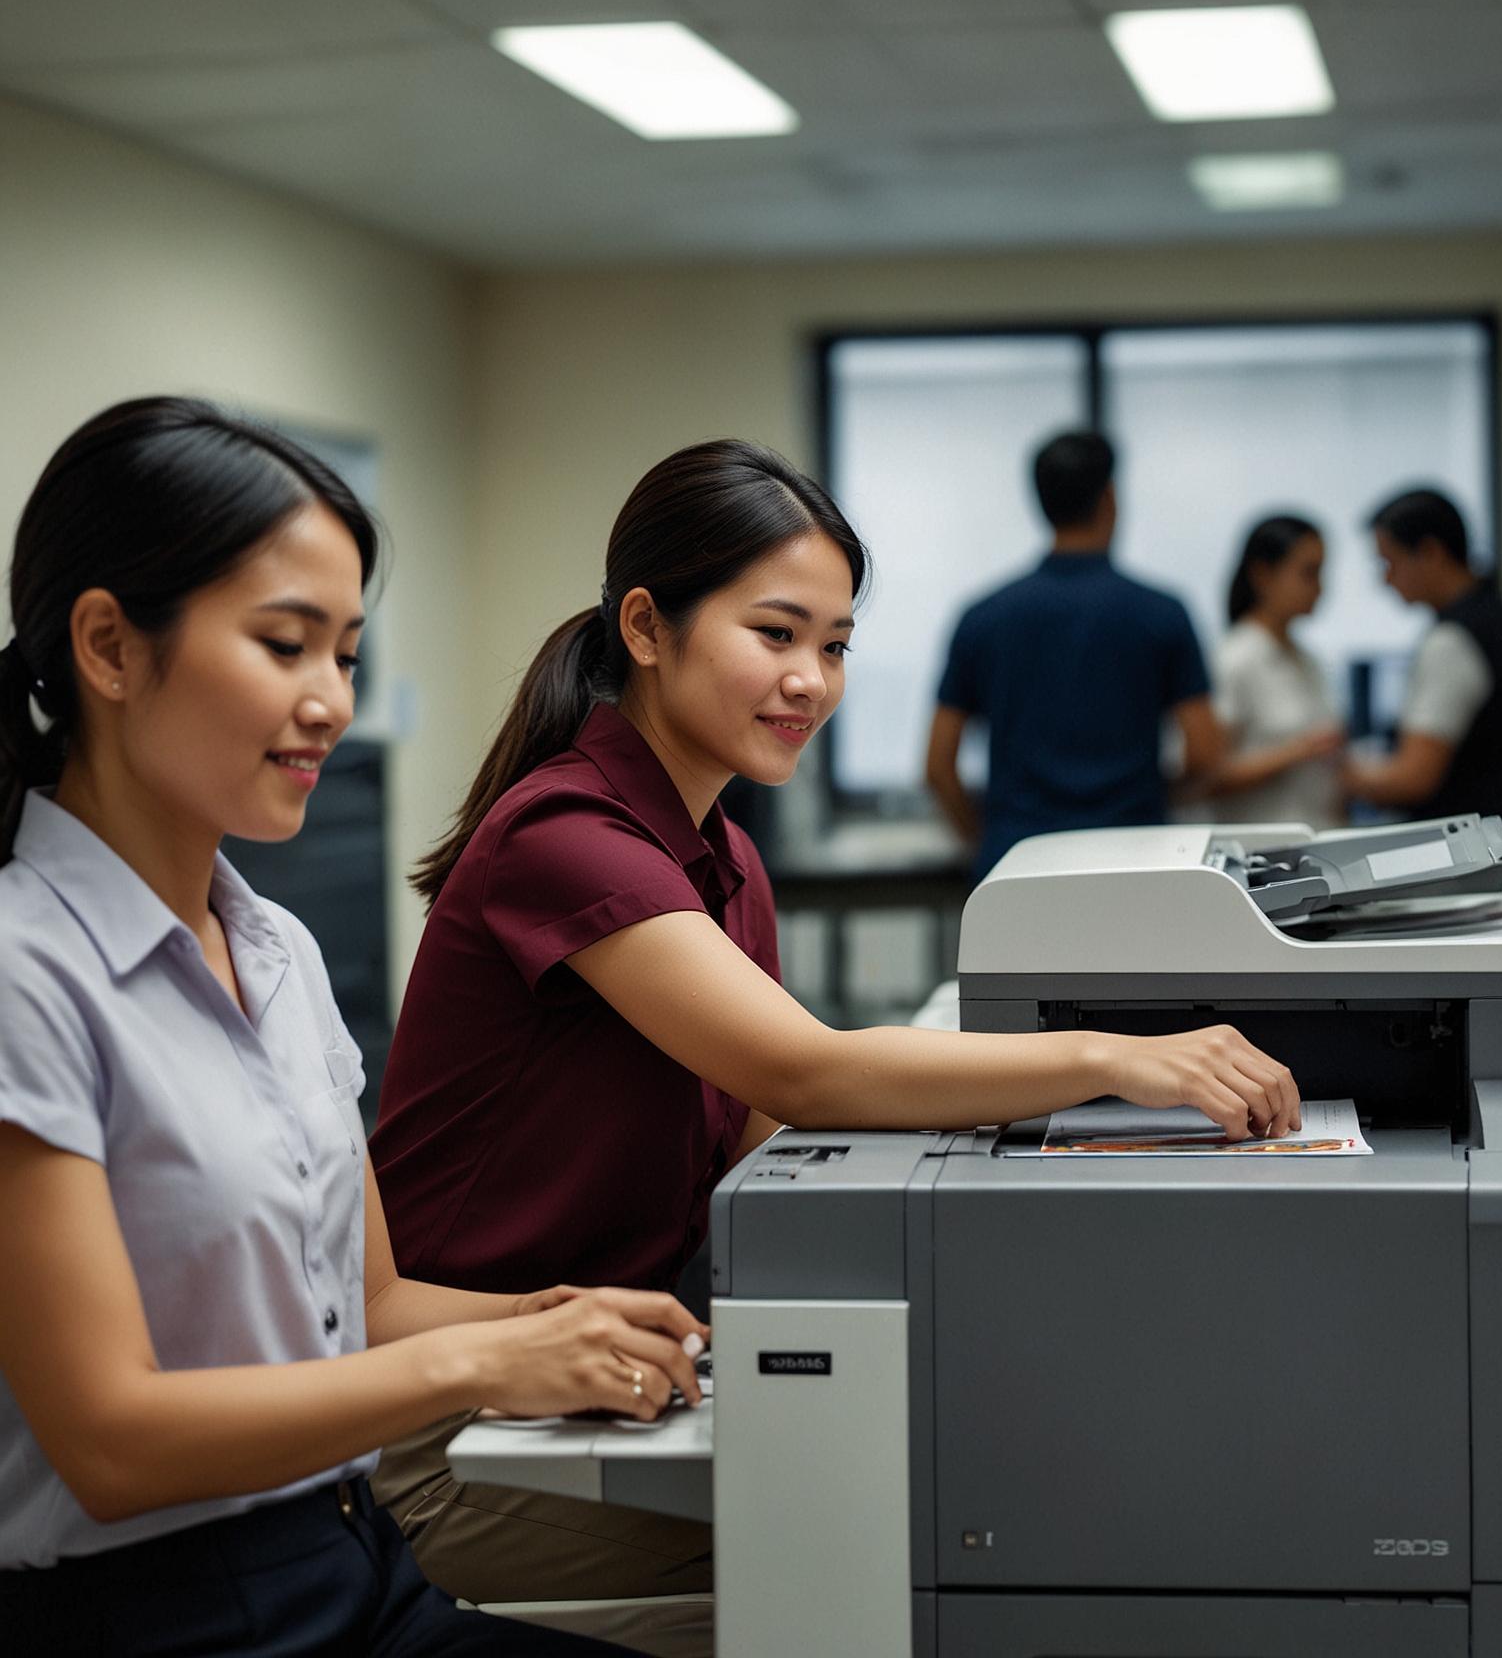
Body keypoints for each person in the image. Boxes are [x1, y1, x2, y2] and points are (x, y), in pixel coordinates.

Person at [369, 439, 1300, 1615]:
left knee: (996, 1484)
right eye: (775, 634)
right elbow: (804, 1071)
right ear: (647, 628)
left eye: (837, 644)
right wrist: (1113, 1061)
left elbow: (767, 1133)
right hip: (454, 1431)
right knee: (916, 1554)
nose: (811, 677)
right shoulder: (564, 836)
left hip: (608, 1382)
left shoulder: (723, 857)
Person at [0, 397, 710, 1658]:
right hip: (153, 1617)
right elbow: (110, 1443)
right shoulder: (25, 970)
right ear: (108, 646)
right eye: (286, 646)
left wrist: (559, 1318)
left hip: (351, 1560)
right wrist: (488, 1372)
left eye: (346, 653)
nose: (331, 701)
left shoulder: (275, 948)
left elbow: (363, 1305)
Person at [925, 430, 1222, 880]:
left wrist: (987, 838)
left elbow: (938, 765)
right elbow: (1203, 751)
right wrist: (1147, 799)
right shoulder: (1162, 613)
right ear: (1110, 498)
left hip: (1017, 864)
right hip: (1136, 862)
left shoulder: (982, 617)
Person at [1341, 488, 1502, 878]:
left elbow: (1413, 779)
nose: (1386, 579)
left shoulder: (1452, 641)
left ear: (1430, 552)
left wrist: (1338, 772)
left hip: (1478, 870)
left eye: (1389, 562)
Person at [1203, 516, 1343, 828]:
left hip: (1321, 840)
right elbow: (1208, 777)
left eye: (1321, 573)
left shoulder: (1308, 660)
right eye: (1308, 573)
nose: (1320, 587)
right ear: (1263, 575)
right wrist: (1299, 750)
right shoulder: (1233, 659)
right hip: (1264, 852)